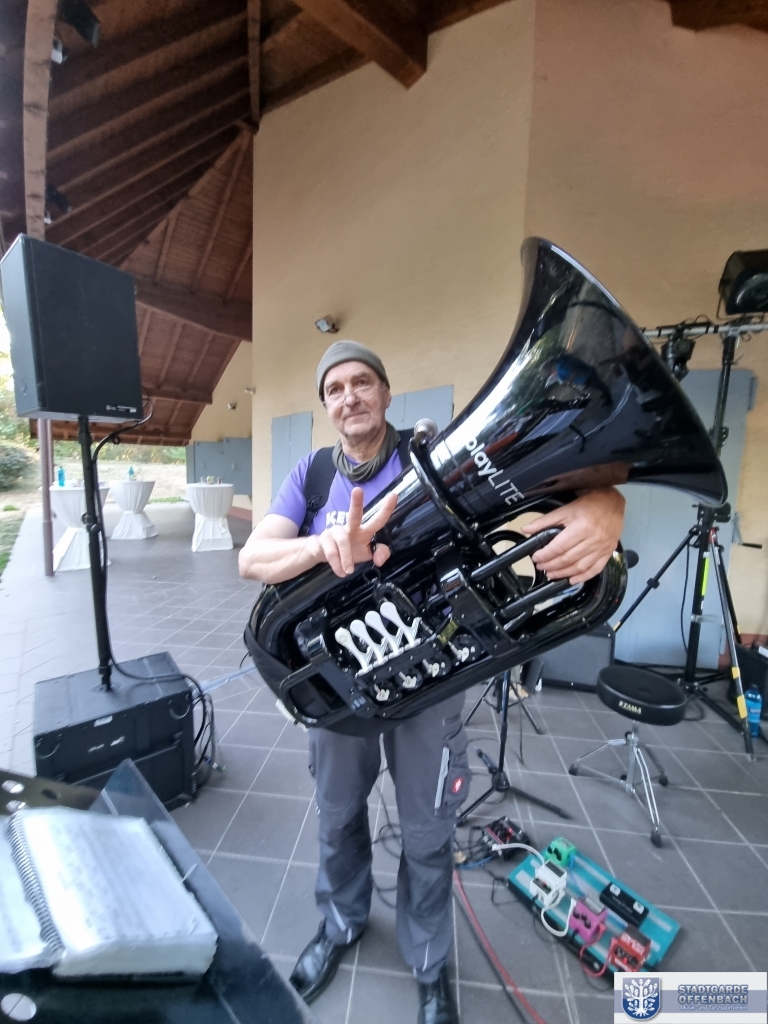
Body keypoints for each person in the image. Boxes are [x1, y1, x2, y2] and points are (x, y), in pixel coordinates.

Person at [239, 341, 625, 1024]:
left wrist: (607, 503)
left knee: (428, 829)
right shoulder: (311, 473)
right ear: (326, 406)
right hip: (337, 687)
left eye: (363, 382)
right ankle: (341, 923)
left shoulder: (435, 456)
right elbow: (253, 558)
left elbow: (573, 481)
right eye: (335, 388)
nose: (350, 396)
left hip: (431, 678)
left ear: (387, 393)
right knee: (336, 815)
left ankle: (427, 960)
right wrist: (321, 546)